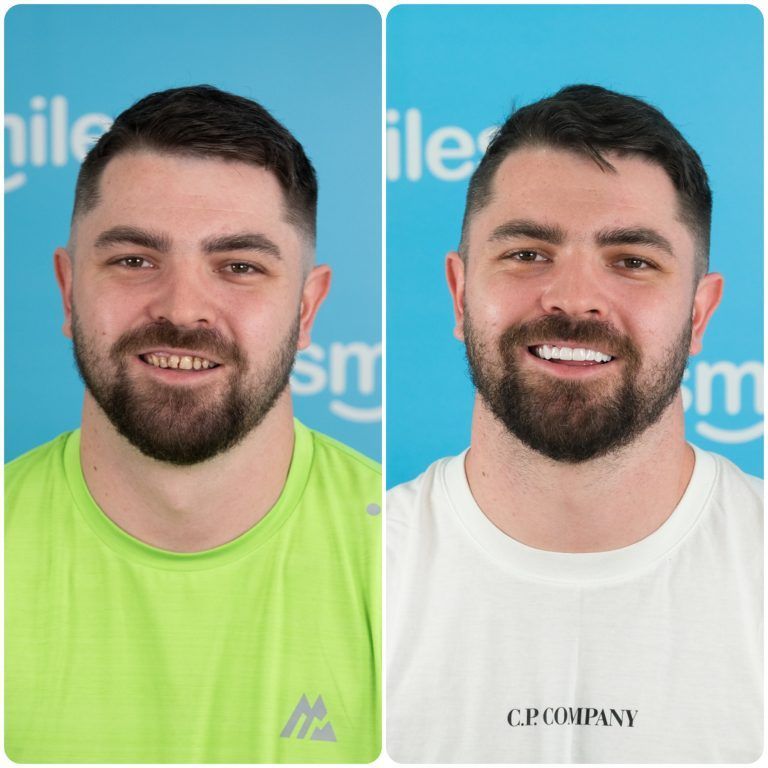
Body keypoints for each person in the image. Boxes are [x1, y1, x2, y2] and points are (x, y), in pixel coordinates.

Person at [387, 85, 762, 763]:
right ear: (461, 291)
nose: (575, 299)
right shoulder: (345, 583)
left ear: (699, 315)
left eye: (634, 262)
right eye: (528, 253)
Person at [6, 85, 381, 763]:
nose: (183, 309)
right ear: (67, 291)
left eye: (239, 267)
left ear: (306, 310)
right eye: (133, 261)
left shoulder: (414, 565)